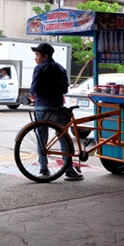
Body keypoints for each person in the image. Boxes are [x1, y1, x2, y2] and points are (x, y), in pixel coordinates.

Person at [29, 42, 83, 181]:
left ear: (45, 56)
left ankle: (44, 169)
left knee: (42, 140)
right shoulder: (60, 68)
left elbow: (34, 89)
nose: (35, 58)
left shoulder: (39, 68)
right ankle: (69, 170)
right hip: (58, 108)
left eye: (37, 55)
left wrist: (32, 94)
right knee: (64, 138)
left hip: (42, 108)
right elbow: (65, 89)